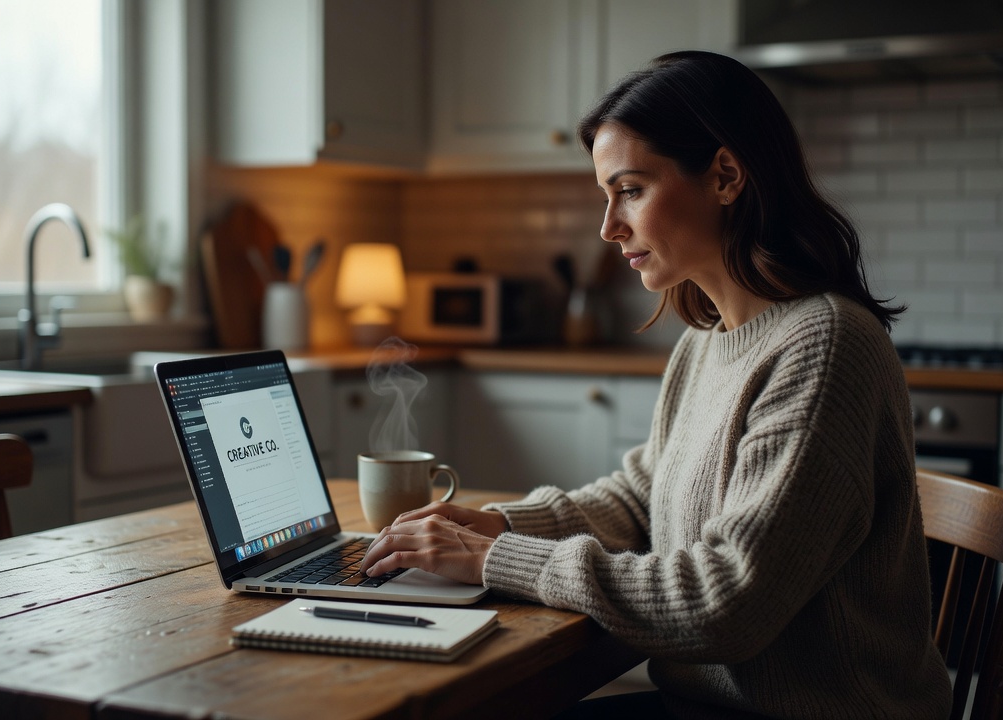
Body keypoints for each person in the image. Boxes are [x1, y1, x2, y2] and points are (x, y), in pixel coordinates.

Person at [362, 50, 952, 719]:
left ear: (725, 176)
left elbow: (723, 606)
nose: (609, 227)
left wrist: (497, 557)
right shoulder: (707, 338)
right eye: (606, 196)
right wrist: (495, 523)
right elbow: (643, 498)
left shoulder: (823, 345)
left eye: (631, 190)